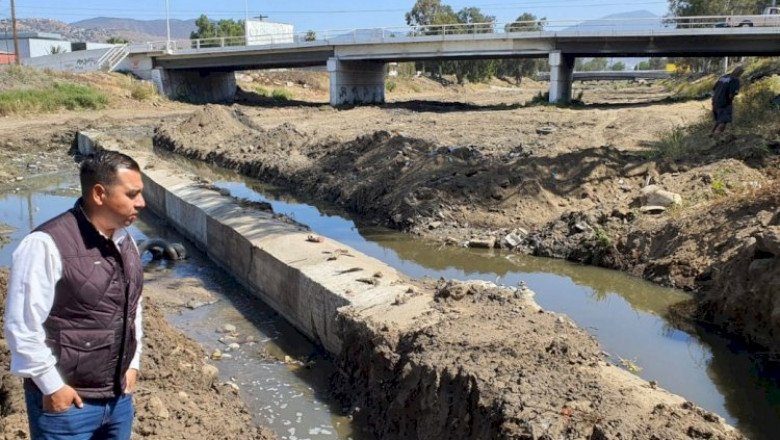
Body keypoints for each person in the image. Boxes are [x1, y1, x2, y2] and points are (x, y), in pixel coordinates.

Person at [4, 150, 146, 440]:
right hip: (68, 408)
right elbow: (22, 326)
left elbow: (133, 308)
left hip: (119, 400)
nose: (141, 203)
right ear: (99, 194)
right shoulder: (46, 245)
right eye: (132, 194)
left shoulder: (124, 239)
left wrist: (133, 364)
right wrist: (52, 387)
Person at [711, 65, 744, 135]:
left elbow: (714, 88)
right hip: (724, 102)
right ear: (741, 73)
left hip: (715, 101)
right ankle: (716, 137)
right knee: (723, 122)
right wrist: (730, 102)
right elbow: (731, 95)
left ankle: (711, 133)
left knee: (719, 119)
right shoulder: (735, 80)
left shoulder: (724, 77)